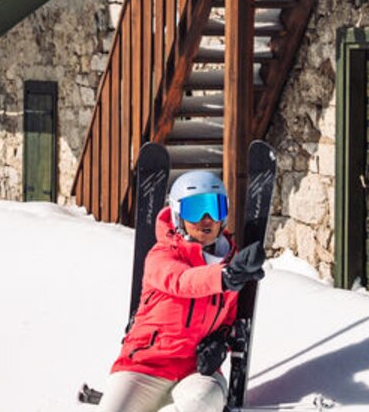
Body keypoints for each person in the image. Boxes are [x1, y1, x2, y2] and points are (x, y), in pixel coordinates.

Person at [99, 171, 266, 412]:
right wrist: (225, 276)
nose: (206, 219)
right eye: (195, 209)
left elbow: (227, 317)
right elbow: (183, 281)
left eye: (214, 208)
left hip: (195, 371)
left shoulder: (232, 262)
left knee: (201, 403)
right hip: (144, 366)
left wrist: (221, 342)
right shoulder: (162, 255)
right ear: (178, 215)